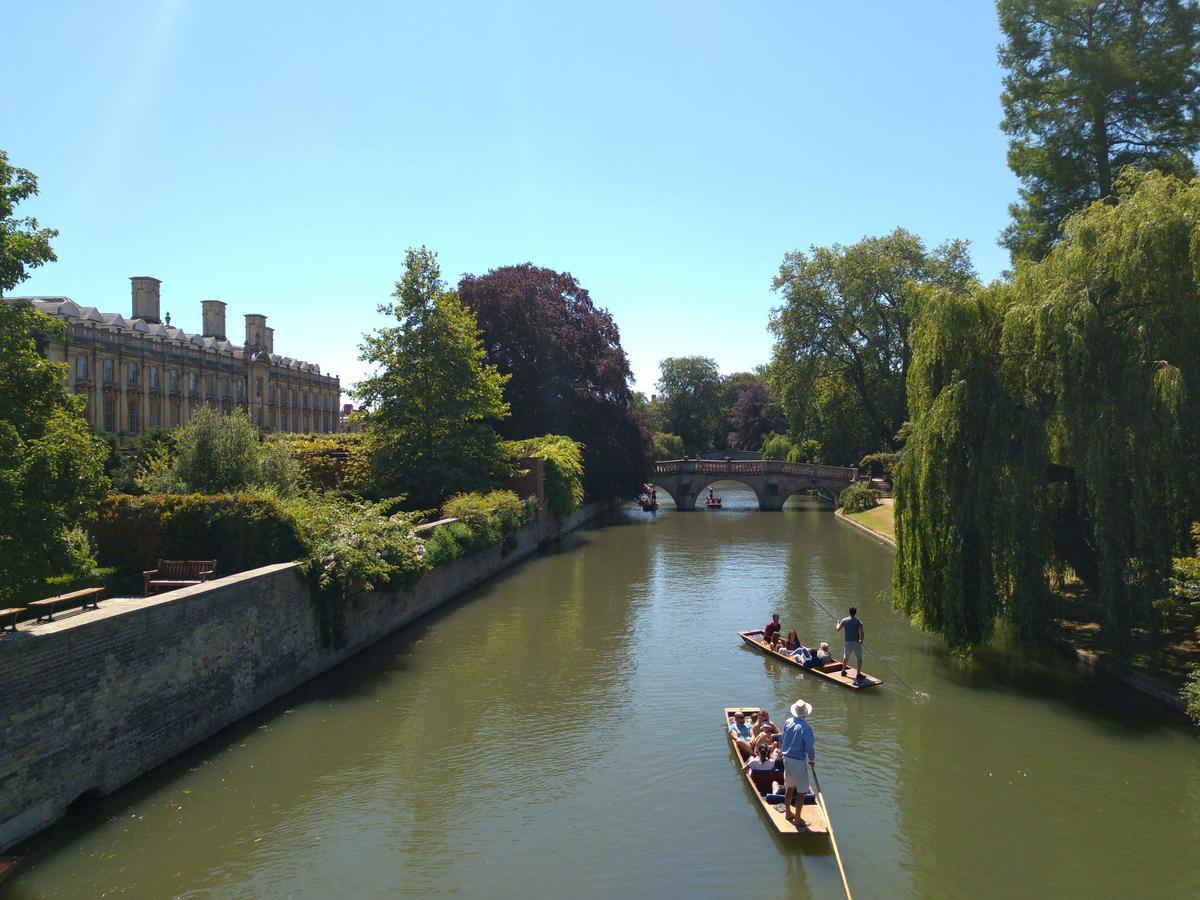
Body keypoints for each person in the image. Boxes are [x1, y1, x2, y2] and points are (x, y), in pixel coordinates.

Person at [780, 698, 815, 827]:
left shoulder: (788, 722)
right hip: (798, 761)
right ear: (805, 713)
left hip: (786, 759)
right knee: (801, 791)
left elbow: (782, 738)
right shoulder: (806, 727)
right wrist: (811, 759)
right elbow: (809, 747)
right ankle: (798, 819)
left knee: (789, 787)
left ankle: (788, 812)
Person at [836, 605, 866, 681]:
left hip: (847, 642)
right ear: (855, 613)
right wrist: (861, 641)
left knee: (846, 657)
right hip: (856, 643)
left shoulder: (844, 620)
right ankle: (858, 674)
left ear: (849, 612)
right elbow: (862, 633)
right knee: (859, 658)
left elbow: (838, 629)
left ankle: (843, 671)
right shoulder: (859, 622)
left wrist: (837, 623)